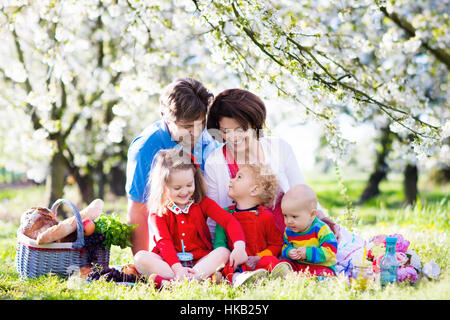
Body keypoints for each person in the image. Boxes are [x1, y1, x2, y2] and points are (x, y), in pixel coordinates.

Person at [204, 88, 340, 243]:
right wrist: (219, 251)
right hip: (244, 244)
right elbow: (215, 218)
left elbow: (301, 192)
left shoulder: (279, 148)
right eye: (226, 131)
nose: (233, 137)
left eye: (240, 130)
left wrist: (322, 218)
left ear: (254, 125)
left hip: (292, 238)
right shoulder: (215, 162)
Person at [125, 78, 219, 255]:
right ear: (167, 119)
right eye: (187, 126)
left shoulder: (210, 140)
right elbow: (138, 209)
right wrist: (141, 262)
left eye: (201, 124)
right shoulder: (145, 148)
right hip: (165, 243)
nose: (196, 133)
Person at [133, 149, 248, 288]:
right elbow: (164, 242)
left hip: (200, 262)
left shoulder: (202, 203)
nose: (184, 191)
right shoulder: (158, 211)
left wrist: (239, 246)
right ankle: (193, 280)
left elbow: (229, 220)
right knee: (140, 258)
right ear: (163, 186)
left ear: (195, 179)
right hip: (169, 263)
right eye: (177, 188)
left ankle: (171, 282)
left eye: (189, 185)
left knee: (223, 252)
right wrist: (177, 269)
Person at [213, 163, 293, 287]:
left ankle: (274, 275)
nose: (231, 180)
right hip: (235, 262)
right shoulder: (225, 214)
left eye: (239, 177)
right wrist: (230, 257)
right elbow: (219, 244)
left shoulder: (265, 216)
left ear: (254, 190)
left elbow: (276, 244)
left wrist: (258, 258)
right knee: (226, 268)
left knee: (270, 260)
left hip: (258, 262)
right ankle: (239, 279)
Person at [280, 184, 338, 277]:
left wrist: (308, 253)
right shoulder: (289, 230)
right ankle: (287, 275)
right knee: (284, 263)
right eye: (285, 215)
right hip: (299, 265)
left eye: (294, 216)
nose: (289, 221)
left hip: (320, 266)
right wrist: (289, 252)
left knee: (324, 275)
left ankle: (315, 279)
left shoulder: (320, 229)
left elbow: (331, 250)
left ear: (312, 214)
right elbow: (285, 246)